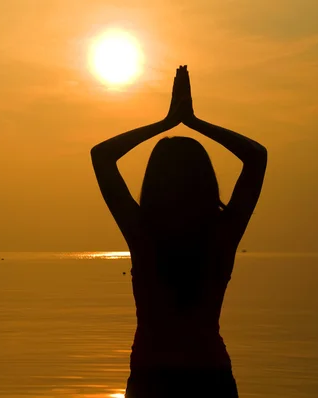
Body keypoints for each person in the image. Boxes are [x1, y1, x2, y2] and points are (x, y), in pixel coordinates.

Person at [90, 66, 267, 397]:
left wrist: (168, 121)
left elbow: (101, 156)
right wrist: (193, 120)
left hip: (151, 377)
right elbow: (256, 157)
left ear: (154, 181)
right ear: (204, 179)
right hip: (210, 375)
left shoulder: (143, 233)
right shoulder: (221, 233)